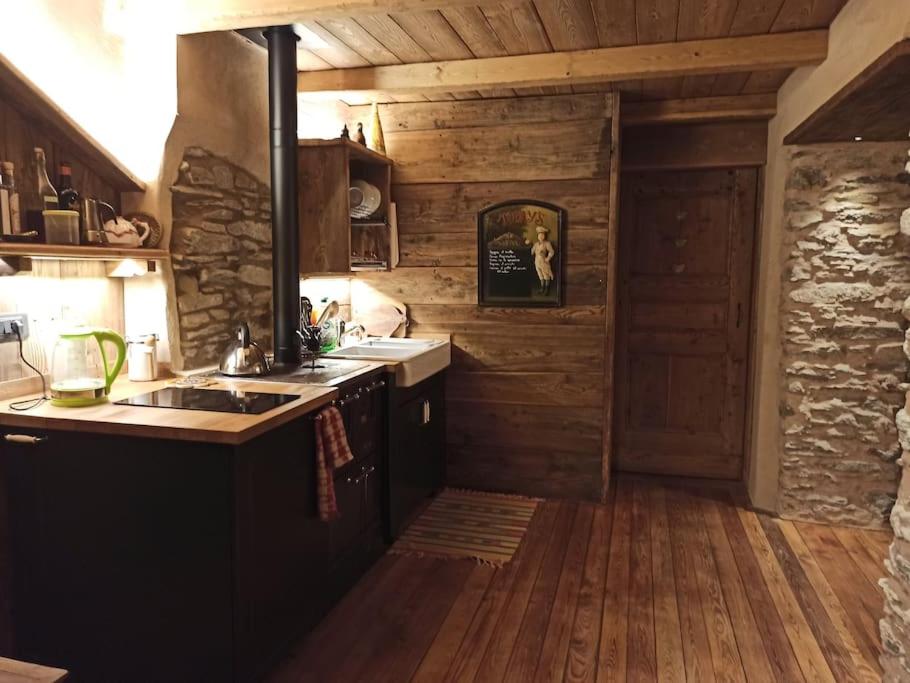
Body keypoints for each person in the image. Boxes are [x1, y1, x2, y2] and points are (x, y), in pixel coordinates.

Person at [530, 223, 556, 295]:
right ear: (537, 236)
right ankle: (542, 288)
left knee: (546, 275)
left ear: (544, 236)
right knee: (540, 275)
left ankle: (547, 289)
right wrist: (530, 245)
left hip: (544, 262)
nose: (541, 237)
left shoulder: (547, 243)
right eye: (539, 235)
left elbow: (552, 252)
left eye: (542, 235)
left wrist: (548, 258)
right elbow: (532, 252)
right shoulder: (536, 244)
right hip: (537, 262)